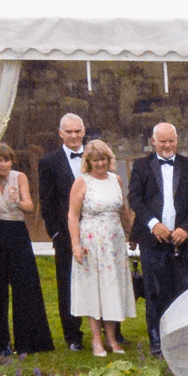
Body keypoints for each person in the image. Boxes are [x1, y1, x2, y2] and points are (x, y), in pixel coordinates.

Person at [128, 123, 188, 356]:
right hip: (153, 241)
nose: (167, 145)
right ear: (153, 141)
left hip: (186, 241)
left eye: (171, 141)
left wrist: (187, 228)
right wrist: (154, 224)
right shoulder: (141, 166)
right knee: (154, 292)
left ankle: (186, 340)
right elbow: (134, 198)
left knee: (186, 290)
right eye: (162, 141)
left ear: (177, 140)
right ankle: (157, 341)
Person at [0, 145, 53, 355]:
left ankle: (29, 342)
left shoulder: (19, 177)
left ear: (11, 161)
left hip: (17, 232)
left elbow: (30, 206)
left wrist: (18, 201)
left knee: (25, 286)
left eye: (7, 160)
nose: (3, 164)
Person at [66, 139, 134, 355]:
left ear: (109, 159)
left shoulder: (116, 180)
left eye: (103, 159)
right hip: (91, 242)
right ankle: (96, 340)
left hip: (114, 242)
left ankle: (112, 339)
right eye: (95, 160)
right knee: (94, 289)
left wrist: (131, 233)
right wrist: (76, 245)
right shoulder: (81, 182)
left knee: (112, 289)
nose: (99, 164)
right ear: (88, 161)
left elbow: (123, 210)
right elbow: (73, 215)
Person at [37, 113, 88, 349]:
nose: (74, 136)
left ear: (84, 131)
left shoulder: (95, 155)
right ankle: (72, 335)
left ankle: (112, 332)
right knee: (67, 284)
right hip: (66, 234)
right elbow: (46, 203)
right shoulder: (49, 162)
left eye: (77, 131)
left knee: (104, 280)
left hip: (98, 232)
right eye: (69, 132)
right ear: (61, 134)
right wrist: (56, 234)